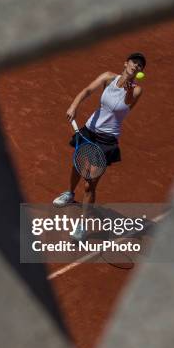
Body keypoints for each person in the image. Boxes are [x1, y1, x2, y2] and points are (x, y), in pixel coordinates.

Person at [52, 53, 146, 233]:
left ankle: (81, 225)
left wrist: (127, 88)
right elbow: (88, 90)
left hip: (107, 140)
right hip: (89, 130)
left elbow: (127, 102)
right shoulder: (108, 77)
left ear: (140, 71)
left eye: (140, 65)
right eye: (134, 62)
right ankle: (70, 194)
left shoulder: (136, 90)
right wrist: (74, 105)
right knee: (77, 164)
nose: (136, 66)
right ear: (126, 63)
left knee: (90, 184)